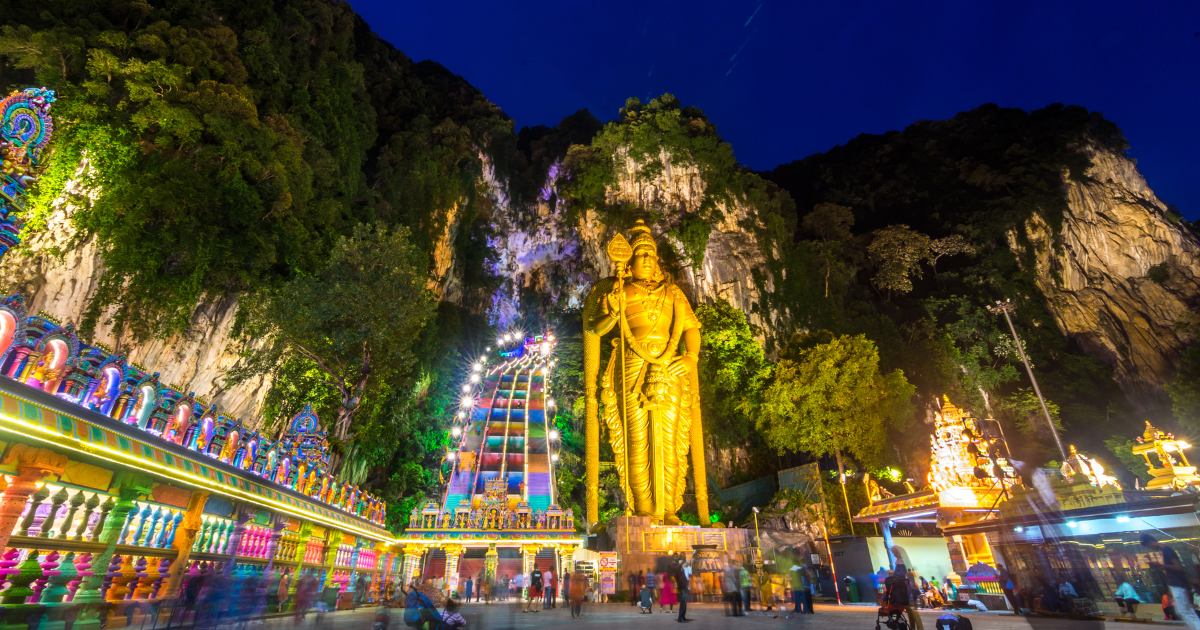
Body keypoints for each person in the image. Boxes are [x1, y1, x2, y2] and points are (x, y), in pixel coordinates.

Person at [1143, 533, 1200, 629]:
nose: (1150, 548)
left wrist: (1160, 565)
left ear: (1150, 542)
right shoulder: (1165, 551)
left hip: (1178, 585)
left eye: (1148, 545)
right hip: (1178, 585)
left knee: (1183, 612)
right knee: (1187, 611)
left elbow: (1178, 567)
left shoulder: (1167, 550)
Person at [673, 557, 691, 623]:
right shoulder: (678, 570)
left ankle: (683, 616)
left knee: (684, 602)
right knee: (683, 602)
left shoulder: (681, 570)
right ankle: (680, 617)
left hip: (684, 587)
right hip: (682, 587)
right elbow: (681, 580)